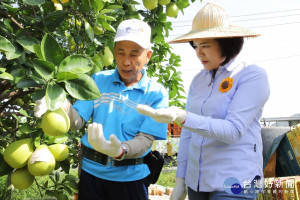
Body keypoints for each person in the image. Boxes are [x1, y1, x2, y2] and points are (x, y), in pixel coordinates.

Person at [137, 2, 270, 200]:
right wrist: (180, 180)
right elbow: (188, 135)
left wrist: (183, 116)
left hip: (236, 181)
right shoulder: (199, 80)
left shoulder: (251, 76)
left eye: (205, 46)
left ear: (226, 43)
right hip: (197, 181)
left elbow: (233, 130)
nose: (199, 53)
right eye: (196, 46)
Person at [34, 19, 168, 200]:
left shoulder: (156, 93)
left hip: (130, 179)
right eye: (121, 53)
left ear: (148, 55)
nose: (126, 62)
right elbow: (77, 121)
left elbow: (145, 140)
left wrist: (120, 150)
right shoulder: (98, 80)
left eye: (134, 54)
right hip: (91, 175)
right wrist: (61, 105)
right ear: (114, 52)